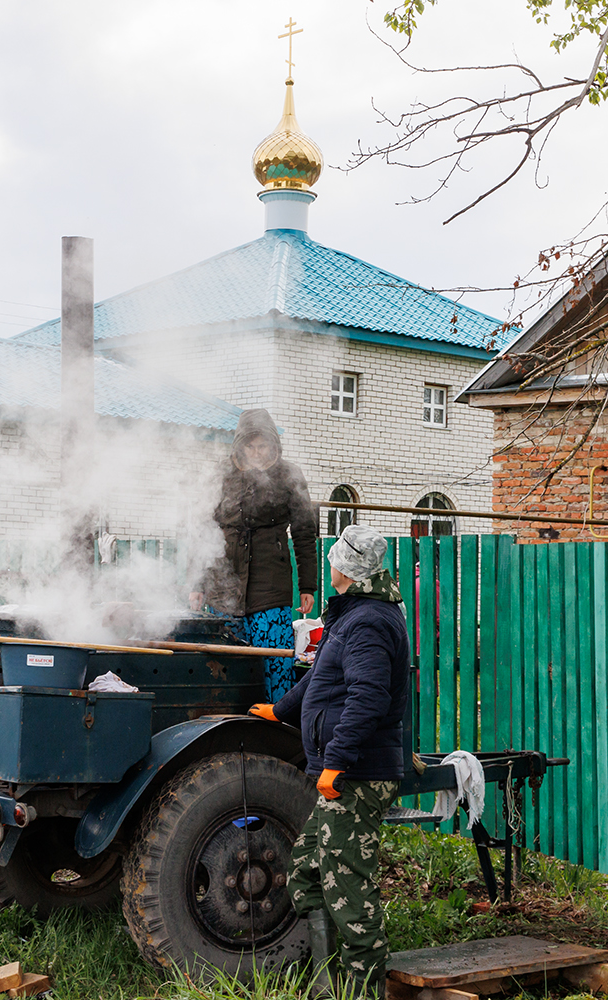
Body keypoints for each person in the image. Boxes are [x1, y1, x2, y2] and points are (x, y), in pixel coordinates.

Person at [249, 523, 408, 998]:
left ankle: (363, 989)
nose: (330, 562)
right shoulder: (351, 615)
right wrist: (281, 709)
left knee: (348, 889)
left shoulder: (369, 622)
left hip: (357, 775)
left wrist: (336, 762)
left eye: (334, 556)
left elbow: (368, 697)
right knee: (306, 871)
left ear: (345, 568)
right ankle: (326, 980)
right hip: (345, 771)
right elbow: (320, 677)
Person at [194, 409, 318, 701]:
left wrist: (308, 586)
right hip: (222, 587)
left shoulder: (289, 475)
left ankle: (276, 726)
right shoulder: (221, 474)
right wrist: (197, 584)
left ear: (274, 445)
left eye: (263, 446)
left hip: (270, 588)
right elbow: (202, 531)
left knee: (275, 663)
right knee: (223, 666)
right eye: (250, 446)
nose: (257, 452)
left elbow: (303, 533)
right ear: (239, 446)